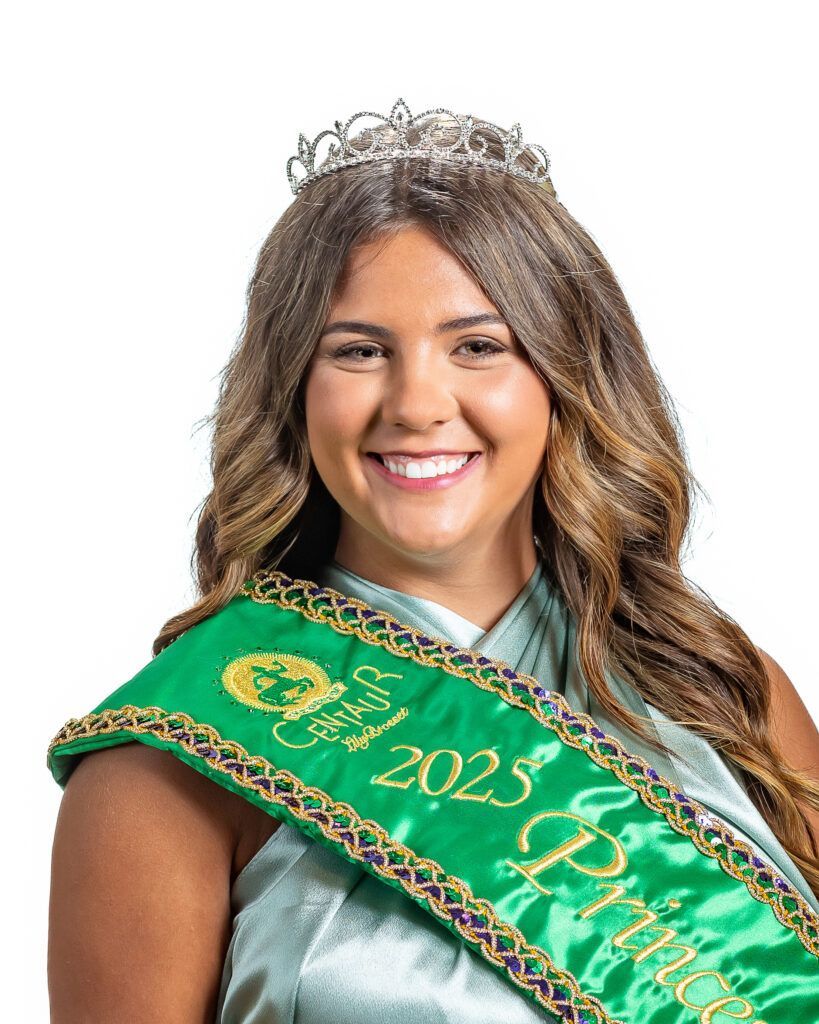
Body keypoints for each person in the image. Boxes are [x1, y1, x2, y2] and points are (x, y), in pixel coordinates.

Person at [47, 98, 819, 1023]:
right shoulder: (171, 763)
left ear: (564, 377)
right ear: (293, 390)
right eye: (360, 351)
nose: (417, 403)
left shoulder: (722, 693)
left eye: (478, 346)